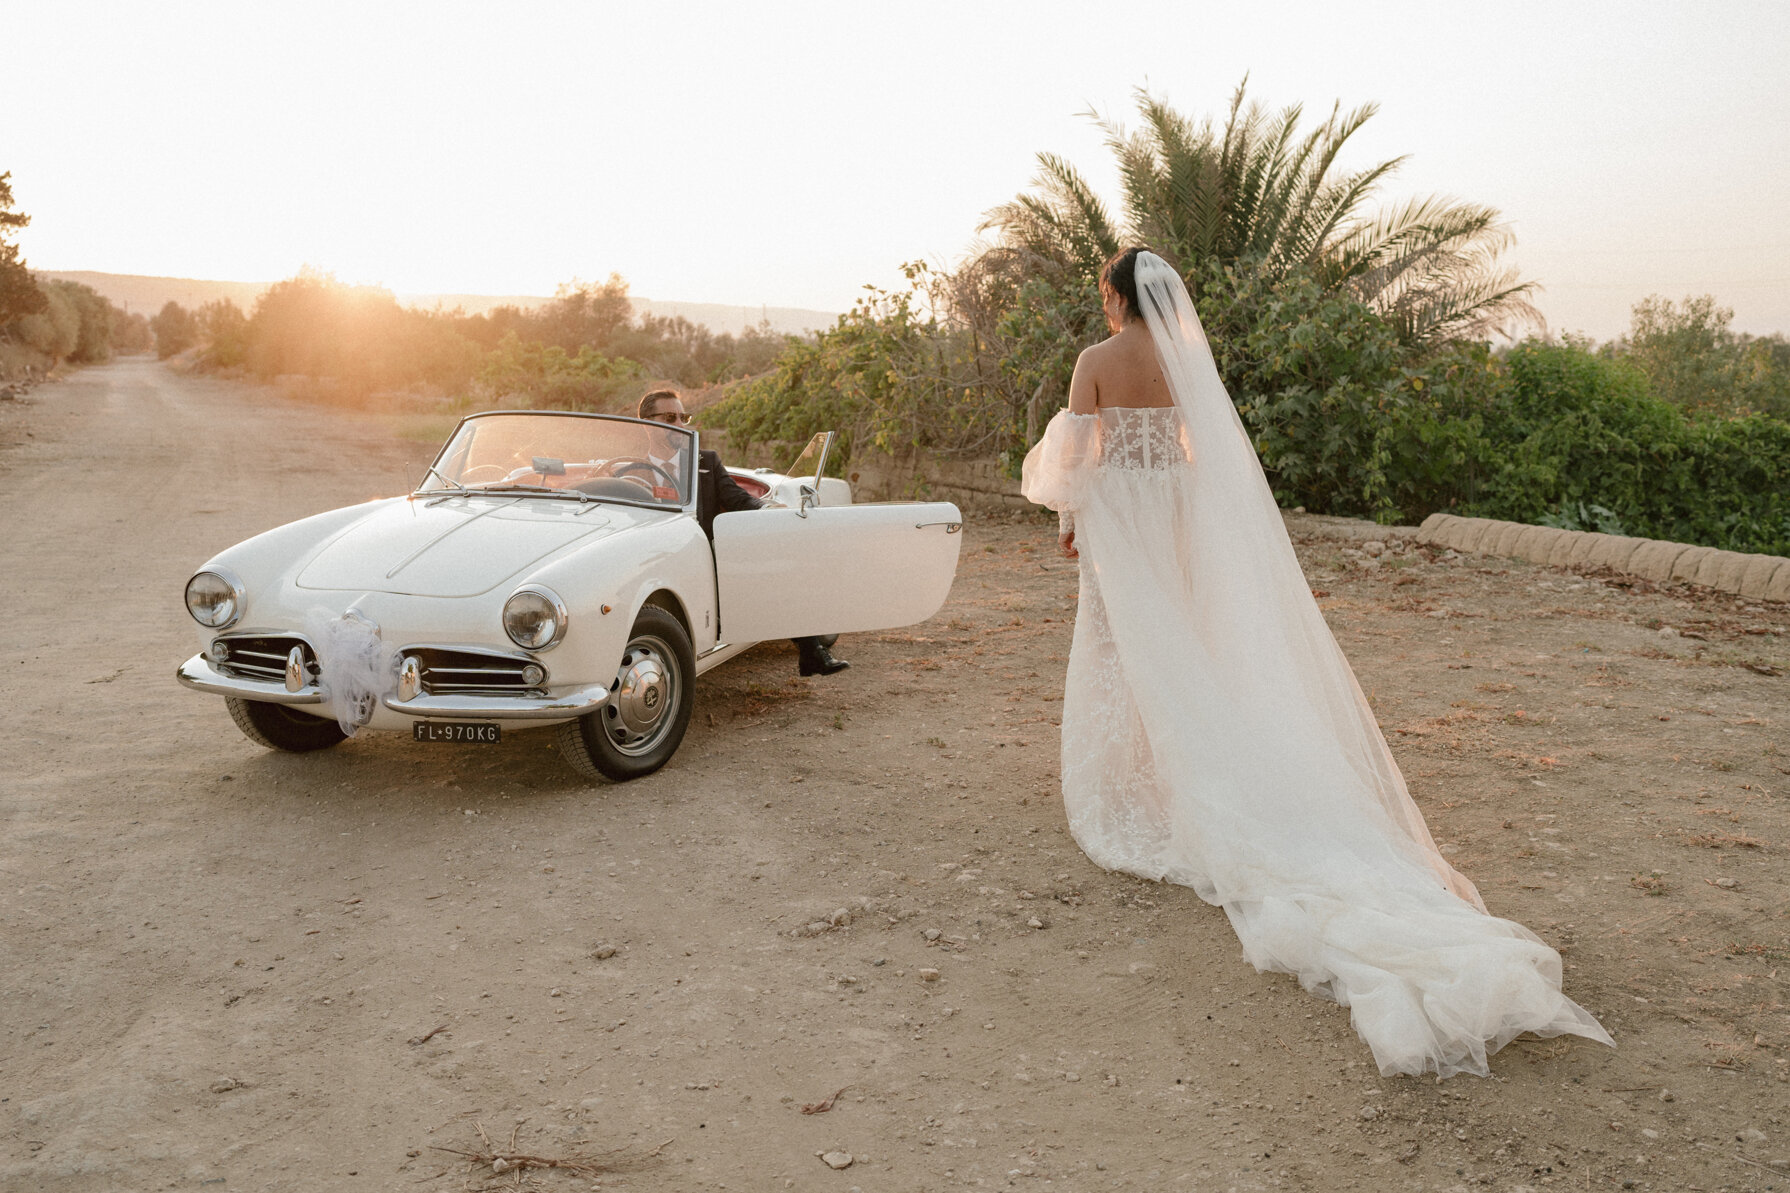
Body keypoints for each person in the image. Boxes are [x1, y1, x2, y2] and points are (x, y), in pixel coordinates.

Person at [1020, 248, 1612, 1078]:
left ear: (1117, 297)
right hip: (1175, 513)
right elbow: (1197, 454)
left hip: (1122, 521)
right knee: (1181, 646)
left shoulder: (1095, 359)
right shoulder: (1186, 362)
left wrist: (1070, 524)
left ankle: (1143, 784)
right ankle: (1185, 772)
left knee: (1123, 649)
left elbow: (1075, 460)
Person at [637, 389, 849, 677]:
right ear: (647, 424)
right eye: (670, 418)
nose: (680, 425)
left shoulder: (705, 462)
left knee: (779, 566)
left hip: (701, 555)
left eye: (683, 417)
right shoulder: (632, 468)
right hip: (651, 556)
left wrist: (768, 509)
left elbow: (738, 498)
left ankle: (811, 651)